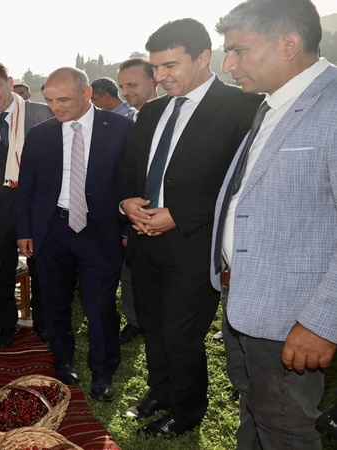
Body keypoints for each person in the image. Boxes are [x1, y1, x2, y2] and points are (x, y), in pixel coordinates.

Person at [118, 18, 261, 437]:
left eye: (169, 66)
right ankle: (160, 392)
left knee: (181, 334)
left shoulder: (244, 106)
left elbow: (239, 183)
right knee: (153, 325)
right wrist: (126, 201)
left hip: (194, 244)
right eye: (155, 68)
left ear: (203, 57)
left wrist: (178, 214)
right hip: (144, 242)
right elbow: (129, 166)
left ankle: (187, 410)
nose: (159, 77)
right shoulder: (153, 110)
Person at [212, 0, 337, 447]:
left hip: (293, 317)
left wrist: (324, 322)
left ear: (289, 44)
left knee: (287, 427)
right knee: (255, 408)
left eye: (238, 50)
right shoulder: (272, 105)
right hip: (245, 298)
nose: (227, 65)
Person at [16, 67, 133, 401]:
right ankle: (63, 359)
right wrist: (25, 229)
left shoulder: (122, 128)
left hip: (101, 230)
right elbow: (28, 187)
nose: (56, 107)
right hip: (52, 229)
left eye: (63, 99)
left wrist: (126, 227)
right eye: (50, 100)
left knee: (100, 304)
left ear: (87, 93)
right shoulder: (40, 135)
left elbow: (132, 181)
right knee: (54, 300)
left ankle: (103, 370)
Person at [0, 62, 52, 348]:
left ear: (9, 82)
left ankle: (44, 323)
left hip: (38, 208)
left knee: (41, 269)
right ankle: (6, 325)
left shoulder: (40, 113)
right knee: (1, 271)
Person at [115, 58, 161, 344]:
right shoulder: (129, 119)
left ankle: (155, 321)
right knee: (130, 272)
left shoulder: (173, 117)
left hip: (164, 215)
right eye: (121, 86)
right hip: (132, 213)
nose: (125, 92)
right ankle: (135, 321)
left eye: (132, 85)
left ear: (154, 80)